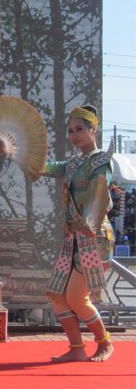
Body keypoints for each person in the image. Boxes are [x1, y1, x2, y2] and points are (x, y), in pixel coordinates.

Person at [40, 105, 115, 362]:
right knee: (57, 295)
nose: (75, 135)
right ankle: (77, 349)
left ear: (94, 130)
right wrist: (15, 152)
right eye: (71, 131)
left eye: (80, 129)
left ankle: (104, 344)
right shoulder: (71, 164)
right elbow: (41, 168)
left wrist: (91, 221)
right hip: (73, 239)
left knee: (75, 296)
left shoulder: (101, 161)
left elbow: (101, 194)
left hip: (94, 238)